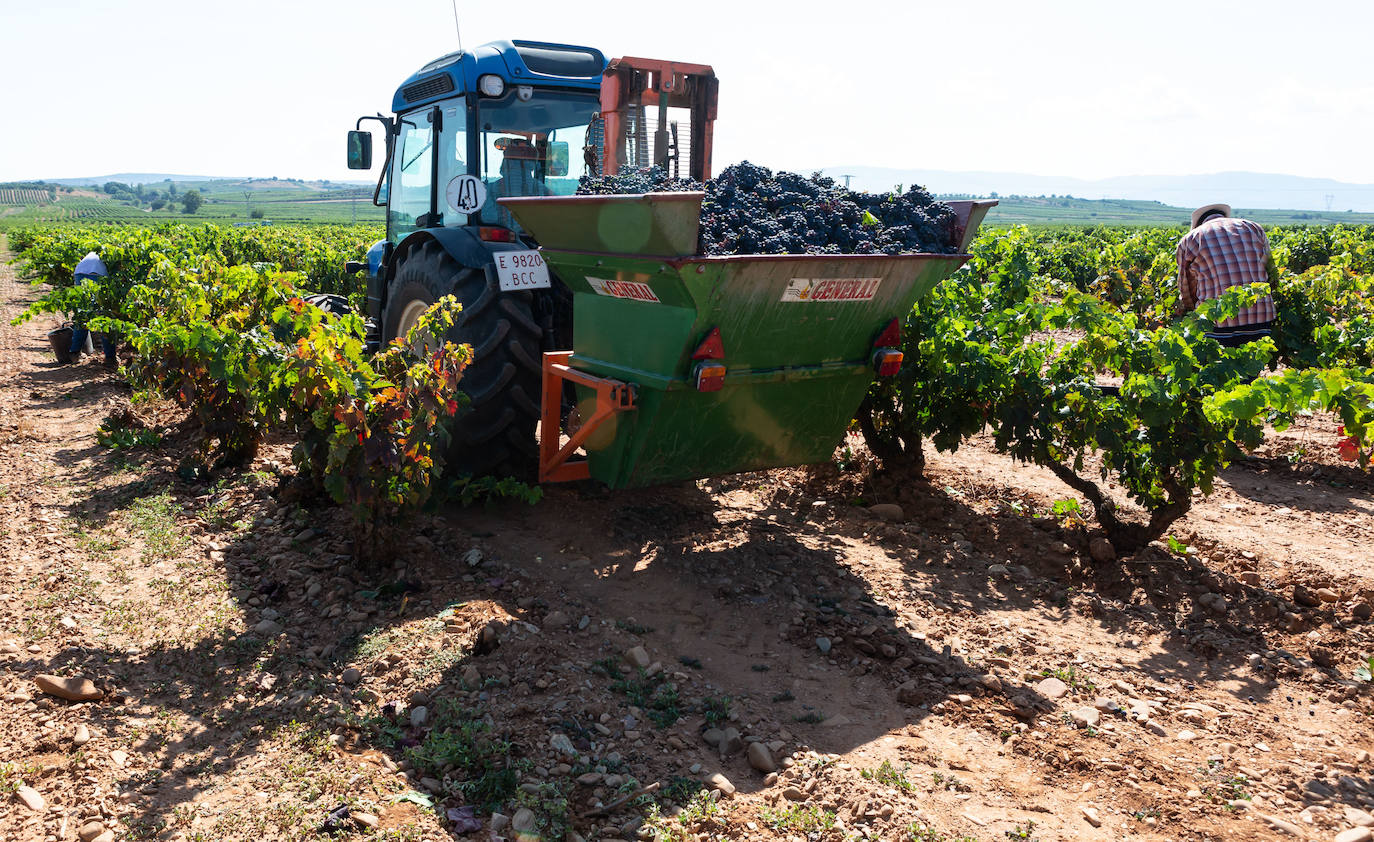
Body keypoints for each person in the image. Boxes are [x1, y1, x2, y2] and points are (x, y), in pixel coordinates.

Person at [1175, 204, 1277, 347]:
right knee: (1252, 365)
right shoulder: (1254, 228)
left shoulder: (1190, 239)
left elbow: (1186, 290)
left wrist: (1191, 313)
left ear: (1198, 223)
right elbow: (1271, 272)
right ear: (1223, 216)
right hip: (1260, 317)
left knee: (1216, 366)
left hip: (1217, 322)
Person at [67, 251, 117, 367]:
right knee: (104, 316)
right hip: (97, 274)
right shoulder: (117, 255)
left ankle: (74, 353)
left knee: (83, 313)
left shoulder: (94, 253)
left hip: (79, 271)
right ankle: (110, 358)